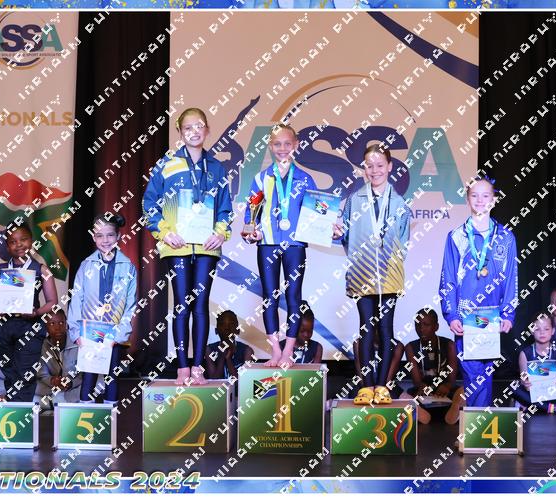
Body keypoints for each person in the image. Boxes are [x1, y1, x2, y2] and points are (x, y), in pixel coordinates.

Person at [143, 108, 233, 385]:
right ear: (180, 132)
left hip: (206, 246)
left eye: (200, 126)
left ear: (207, 130)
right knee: (182, 304)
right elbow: (149, 204)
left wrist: (220, 234)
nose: (195, 132)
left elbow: (225, 209)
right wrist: (164, 232)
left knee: (201, 305)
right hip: (178, 246)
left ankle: (197, 367)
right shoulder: (167, 165)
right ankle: (182, 367)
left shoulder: (216, 167)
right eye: (188, 128)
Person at [332, 144, 410, 406]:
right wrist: (337, 233)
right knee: (365, 328)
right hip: (362, 272)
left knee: (386, 330)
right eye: (369, 166)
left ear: (389, 167)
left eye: (379, 165)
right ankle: (366, 386)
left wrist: (390, 264)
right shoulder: (354, 200)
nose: (374, 170)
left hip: (389, 275)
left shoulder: (399, 203)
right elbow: (344, 234)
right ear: (363, 168)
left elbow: (404, 241)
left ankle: (383, 386)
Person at [439, 175, 518, 408]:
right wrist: (451, 314)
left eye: (485, 195)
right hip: (466, 315)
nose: (480, 200)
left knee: (485, 371)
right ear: (467, 199)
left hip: (493, 315)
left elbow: (512, 278)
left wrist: (508, 313)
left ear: (494, 200)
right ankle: (479, 419)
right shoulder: (456, 237)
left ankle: (476, 420)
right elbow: (448, 277)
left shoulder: (505, 237)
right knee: (472, 371)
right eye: (474, 195)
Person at [244, 123, 316, 368]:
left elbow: (317, 213)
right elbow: (251, 211)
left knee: (294, 297)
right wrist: (250, 230)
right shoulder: (261, 178)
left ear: (296, 145)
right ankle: (275, 350)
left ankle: (288, 350)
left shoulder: (305, 179)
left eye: (287, 143)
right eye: (277, 144)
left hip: (295, 245)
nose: (282, 148)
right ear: (270, 146)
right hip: (267, 244)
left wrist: (329, 226)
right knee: (269, 297)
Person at [0, 221, 58, 402]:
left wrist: (36, 312)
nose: (19, 245)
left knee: (26, 372)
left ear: (31, 241)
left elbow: (53, 302)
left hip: (30, 326)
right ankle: (13, 407)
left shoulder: (41, 270)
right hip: (4, 326)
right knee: (9, 371)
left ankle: (21, 411)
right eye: (13, 241)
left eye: (23, 239)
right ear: (7, 245)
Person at [68, 213, 137, 404]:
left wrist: (119, 335)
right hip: (88, 333)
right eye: (100, 236)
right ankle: (85, 413)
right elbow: (76, 300)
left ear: (118, 236)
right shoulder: (86, 265)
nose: (105, 240)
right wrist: (76, 333)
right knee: (88, 378)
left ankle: (111, 417)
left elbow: (130, 305)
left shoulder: (128, 267)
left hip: (113, 334)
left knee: (112, 377)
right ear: (93, 237)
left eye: (110, 235)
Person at [402, 308, 463, 425]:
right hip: (423, 391)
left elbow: (451, 379)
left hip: (446, 390)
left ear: (436, 327)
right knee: (408, 395)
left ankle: (453, 410)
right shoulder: (410, 347)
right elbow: (417, 381)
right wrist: (422, 387)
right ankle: (422, 413)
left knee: (463, 391)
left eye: (426, 325)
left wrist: (447, 386)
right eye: (418, 325)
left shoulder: (449, 344)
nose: (421, 329)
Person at [512, 313, 556, 414]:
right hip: (533, 392)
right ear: (532, 331)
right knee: (514, 388)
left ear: (552, 331)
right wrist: (525, 383)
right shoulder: (525, 353)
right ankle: (552, 408)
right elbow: (524, 379)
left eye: (546, 329)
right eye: (537, 329)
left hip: (551, 392)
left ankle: (529, 406)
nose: (542, 333)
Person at [36, 310, 80, 411]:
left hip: (74, 387)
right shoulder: (43, 345)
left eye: (61, 323)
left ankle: (55, 403)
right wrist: (52, 380)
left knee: (93, 386)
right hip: (52, 388)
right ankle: (56, 403)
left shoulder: (77, 343)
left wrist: (70, 383)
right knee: (32, 393)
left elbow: (84, 376)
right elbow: (42, 374)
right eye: (52, 323)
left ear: (66, 324)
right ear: (46, 327)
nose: (57, 328)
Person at [204, 310, 254, 379]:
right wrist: (222, 357)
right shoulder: (209, 350)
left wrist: (228, 359)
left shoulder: (247, 351)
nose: (227, 328)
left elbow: (243, 381)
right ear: (216, 330)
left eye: (231, 324)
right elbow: (214, 380)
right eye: (222, 324)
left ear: (238, 330)